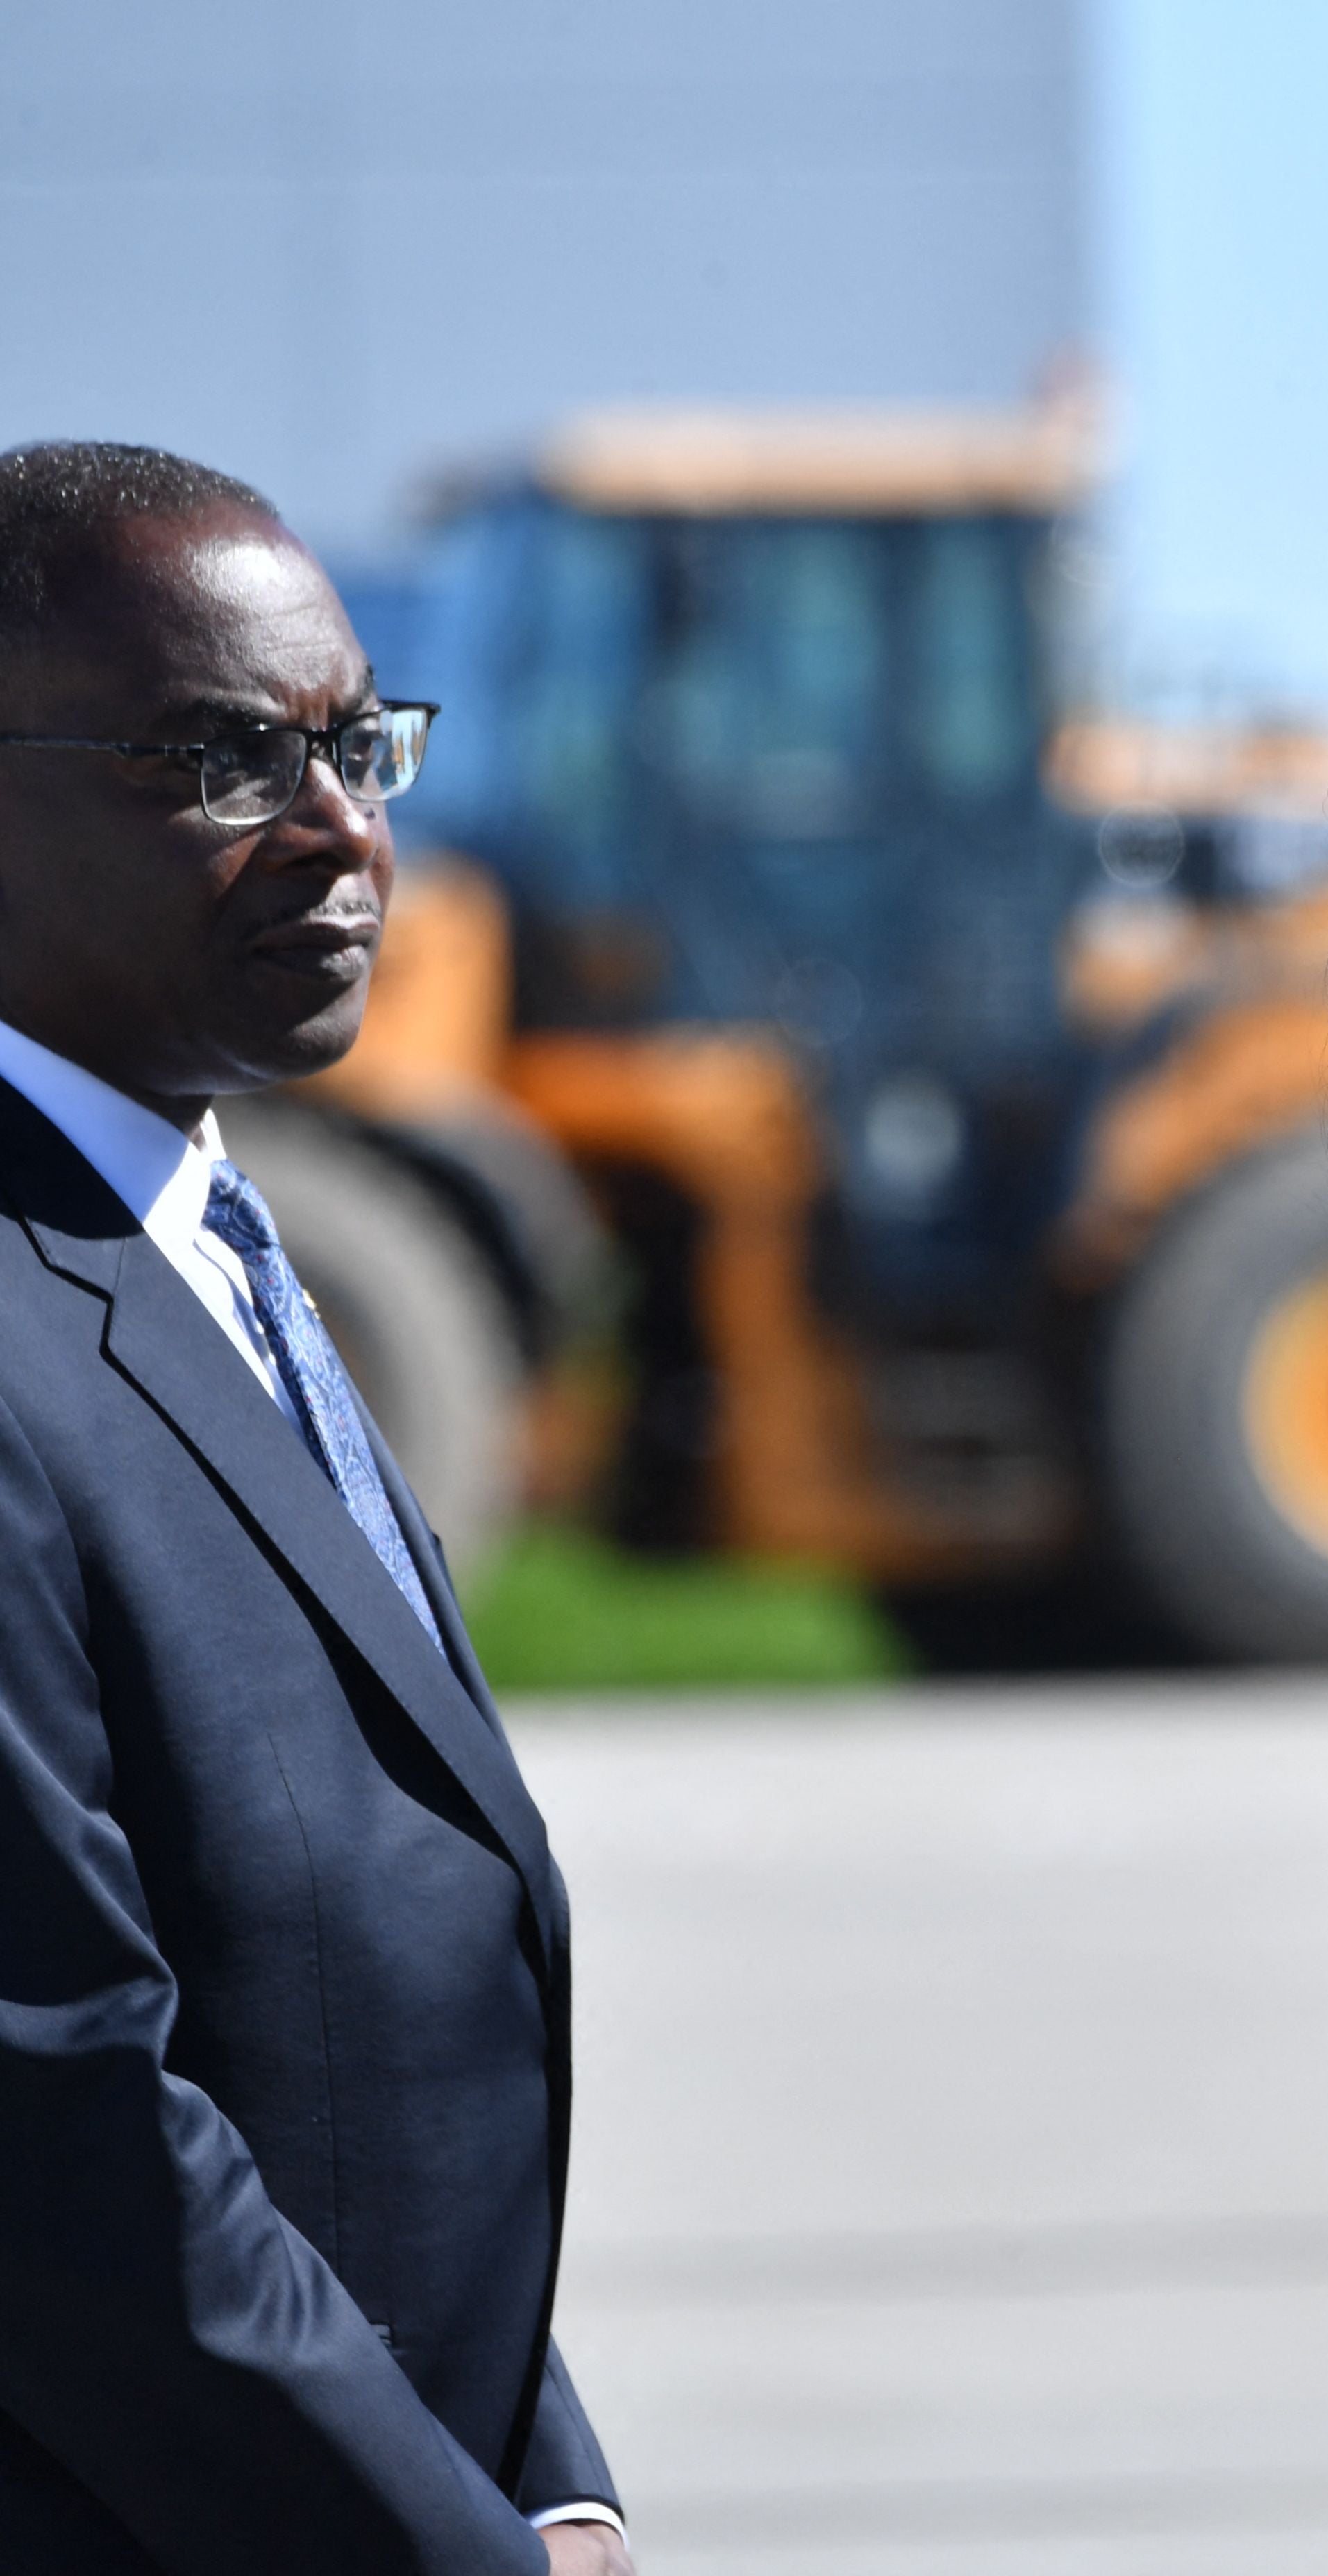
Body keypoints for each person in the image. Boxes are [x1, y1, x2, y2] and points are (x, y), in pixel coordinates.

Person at [0, 443, 628, 2574]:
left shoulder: (202, 1241)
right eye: (220, 759)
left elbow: (362, 1998)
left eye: (357, 743)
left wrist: (550, 2463)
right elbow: (56, 2122)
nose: (347, 830)